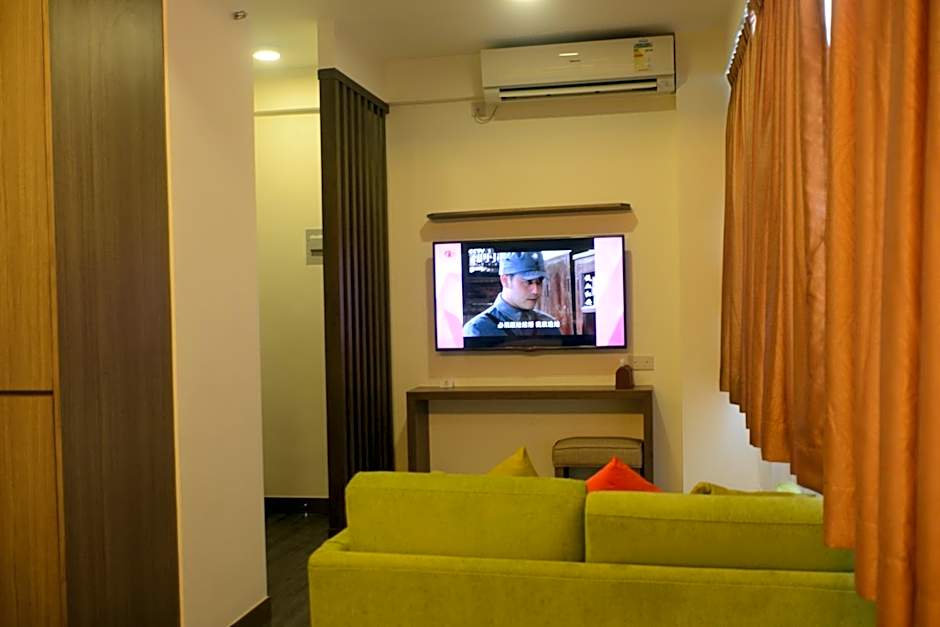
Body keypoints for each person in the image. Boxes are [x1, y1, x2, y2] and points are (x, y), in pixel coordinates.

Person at [463, 252, 562, 337]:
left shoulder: (549, 325)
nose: (536, 291)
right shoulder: (478, 330)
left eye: (539, 281)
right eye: (528, 282)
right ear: (505, 280)